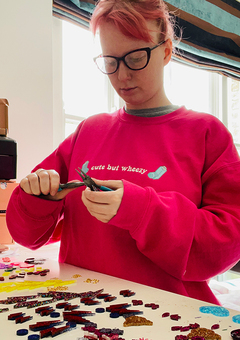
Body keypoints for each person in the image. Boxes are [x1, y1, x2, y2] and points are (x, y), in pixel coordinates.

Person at [6, 0, 240, 305]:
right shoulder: (88, 131)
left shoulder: (207, 133)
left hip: (167, 319)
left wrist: (142, 211)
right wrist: (37, 199)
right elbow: (27, 235)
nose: (122, 76)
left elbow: (225, 246)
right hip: (81, 314)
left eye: (136, 57)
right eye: (111, 61)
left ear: (167, 51)